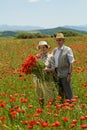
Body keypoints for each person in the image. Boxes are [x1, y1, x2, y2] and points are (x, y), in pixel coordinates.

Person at [33, 41, 57, 108]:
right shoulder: (37, 57)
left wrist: (47, 70)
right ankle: (41, 108)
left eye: (44, 47)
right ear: (39, 49)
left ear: (47, 48)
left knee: (48, 95)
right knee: (39, 95)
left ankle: (50, 108)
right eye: (41, 48)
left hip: (47, 79)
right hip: (37, 79)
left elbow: (53, 69)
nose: (42, 49)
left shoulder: (51, 57)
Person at [52, 33, 75, 101]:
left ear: (63, 41)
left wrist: (69, 74)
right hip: (56, 73)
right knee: (60, 91)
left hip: (65, 73)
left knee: (68, 91)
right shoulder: (55, 50)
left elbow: (71, 62)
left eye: (60, 40)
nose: (58, 42)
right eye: (57, 40)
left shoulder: (67, 49)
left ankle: (71, 104)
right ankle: (62, 105)